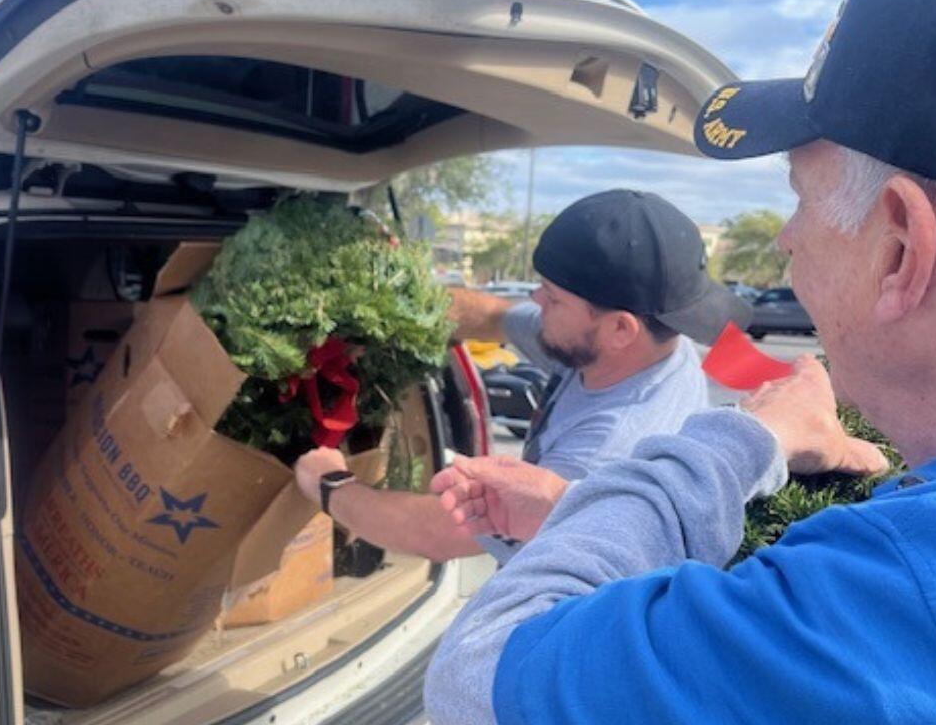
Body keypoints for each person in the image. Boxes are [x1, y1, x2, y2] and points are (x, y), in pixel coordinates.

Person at [424, 0, 936, 722]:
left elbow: (479, 672)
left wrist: (748, 439)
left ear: (901, 249)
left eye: (799, 197)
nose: (784, 238)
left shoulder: (920, 593)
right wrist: (589, 520)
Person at [293, 190, 753, 564]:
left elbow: (439, 532)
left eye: (552, 299)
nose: (535, 299)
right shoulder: (638, 345)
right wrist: (381, 312)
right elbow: (493, 316)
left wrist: (331, 484)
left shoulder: (605, 452)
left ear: (620, 328)